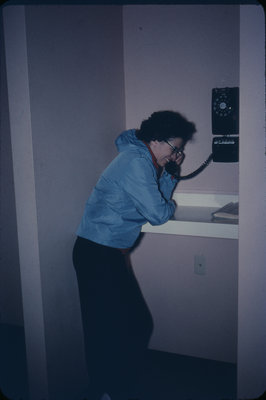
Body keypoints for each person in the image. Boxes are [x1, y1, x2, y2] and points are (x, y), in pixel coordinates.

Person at [72, 110, 196, 400]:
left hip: (104, 254)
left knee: (123, 325)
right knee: (117, 327)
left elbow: (157, 201)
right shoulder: (136, 162)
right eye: (175, 148)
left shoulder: (141, 157)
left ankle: (108, 389)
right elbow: (158, 213)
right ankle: (106, 390)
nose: (176, 154)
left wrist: (171, 173)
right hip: (97, 254)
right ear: (155, 140)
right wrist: (171, 197)